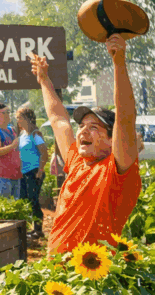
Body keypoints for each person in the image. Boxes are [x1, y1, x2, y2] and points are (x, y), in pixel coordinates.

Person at [30, 33, 141, 255]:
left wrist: (118, 63)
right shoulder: (76, 162)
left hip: (92, 272)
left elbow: (125, 118)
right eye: (81, 125)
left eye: (94, 127)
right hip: (57, 271)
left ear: (112, 139)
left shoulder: (117, 169)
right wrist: (44, 80)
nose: (82, 131)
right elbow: (59, 120)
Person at [15, 106, 48, 239]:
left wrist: (40, 170)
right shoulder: (22, 134)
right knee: (24, 200)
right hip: (24, 172)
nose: (17, 120)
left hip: (34, 171)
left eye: (19, 118)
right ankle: (30, 228)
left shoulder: (35, 134)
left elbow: (44, 154)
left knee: (34, 200)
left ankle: (38, 230)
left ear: (27, 118)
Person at [0, 102, 21, 198]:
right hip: (1, 176)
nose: (7, 115)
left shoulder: (11, 130)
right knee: (6, 204)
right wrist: (13, 145)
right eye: (4, 113)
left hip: (15, 174)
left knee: (16, 205)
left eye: (8, 112)